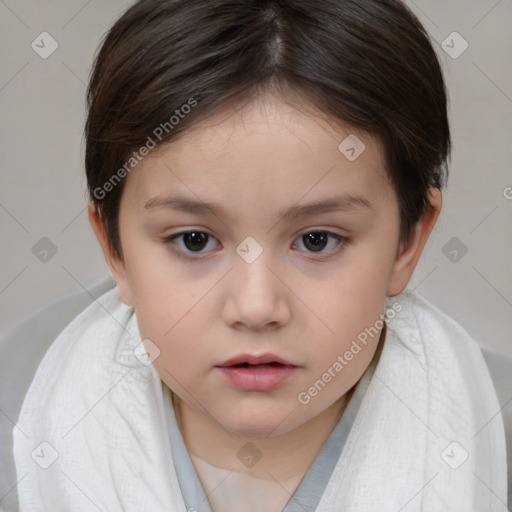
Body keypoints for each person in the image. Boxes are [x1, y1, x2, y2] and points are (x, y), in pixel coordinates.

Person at [11, 0, 511, 510]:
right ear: (113, 249)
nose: (256, 307)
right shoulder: (20, 428)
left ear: (409, 240)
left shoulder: (495, 427)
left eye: (317, 240)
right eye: (194, 240)